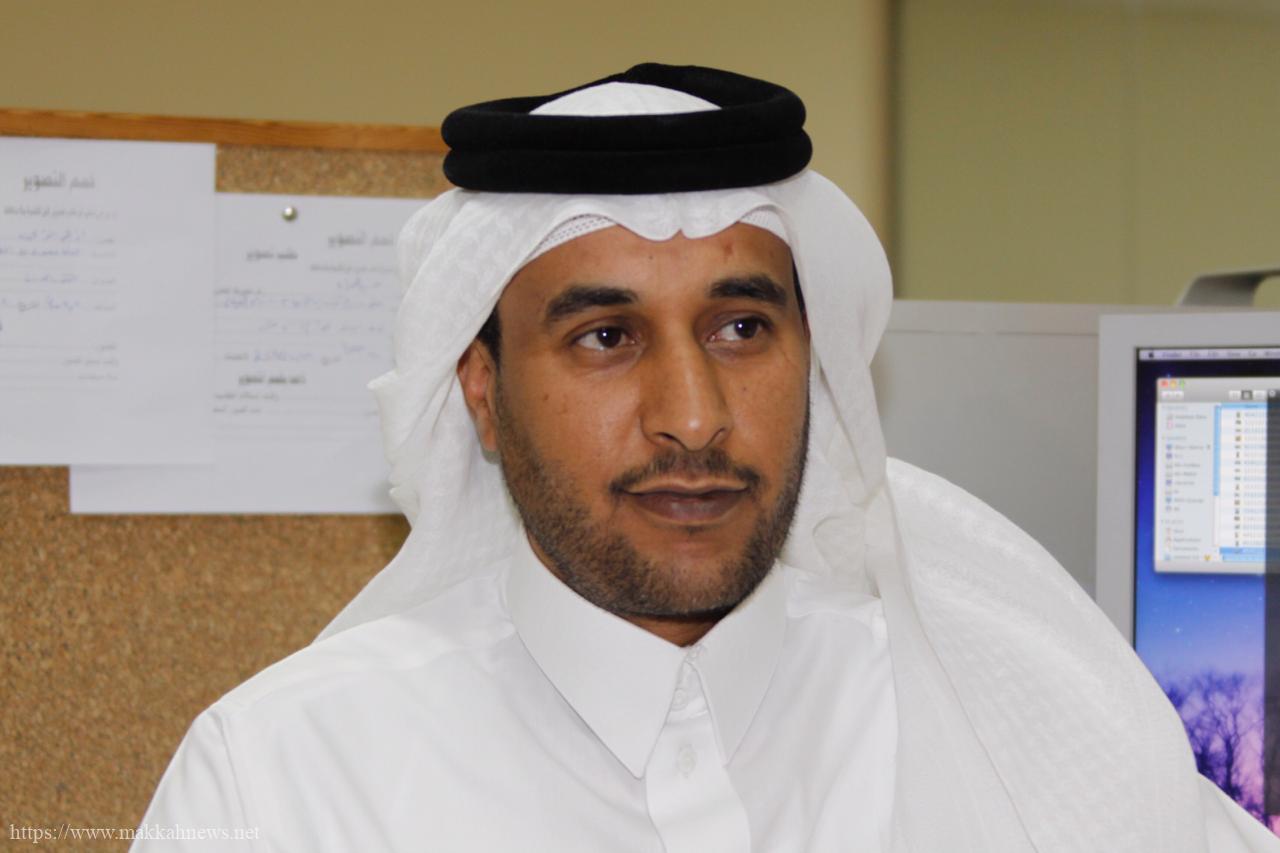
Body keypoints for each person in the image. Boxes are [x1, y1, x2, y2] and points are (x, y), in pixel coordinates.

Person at [133, 64, 1280, 852]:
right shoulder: (287, 781)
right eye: (604, 337)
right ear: (481, 393)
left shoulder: (1003, 718)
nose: (691, 417)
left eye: (739, 327)